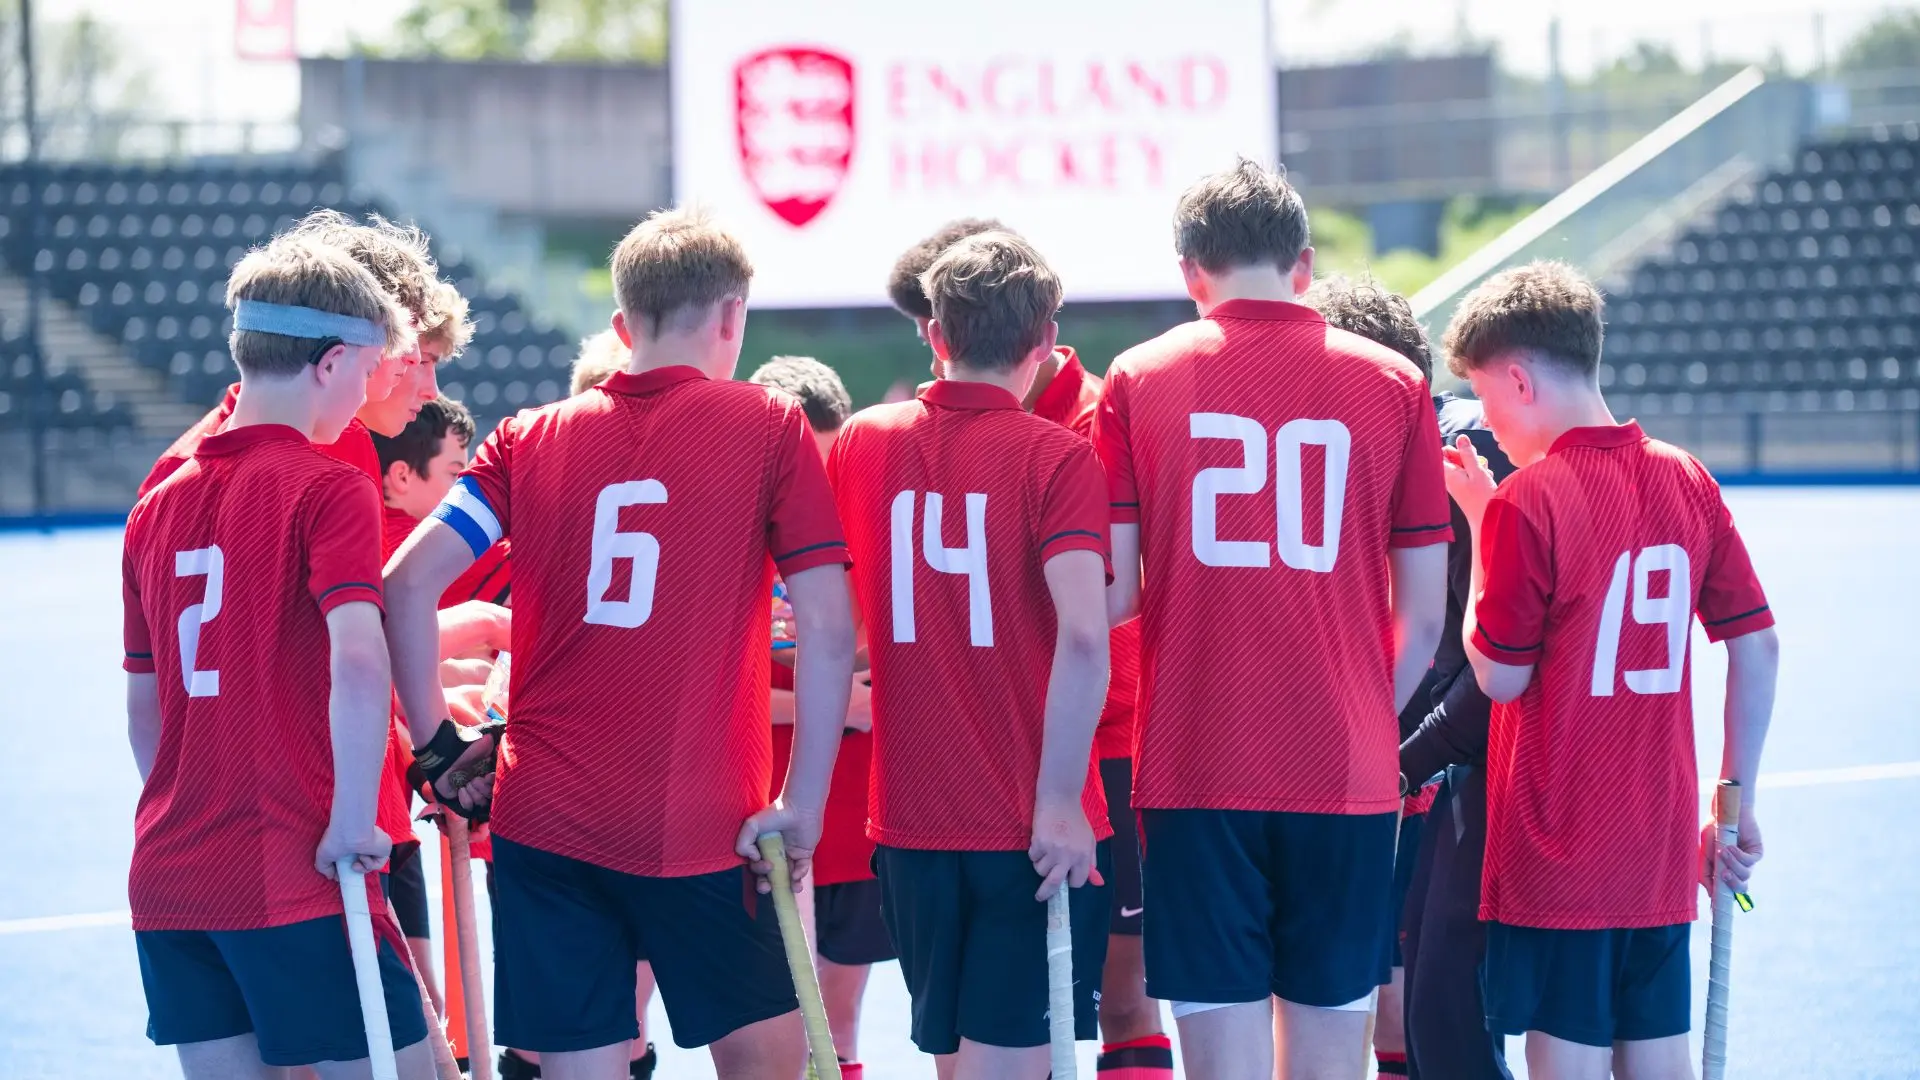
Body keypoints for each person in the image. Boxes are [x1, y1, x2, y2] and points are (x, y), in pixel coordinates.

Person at [383, 207, 858, 1080]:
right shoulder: (769, 426)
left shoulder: (528, 435)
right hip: (706, 823)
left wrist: (435, 748)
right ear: (732, 318)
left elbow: (405, 584)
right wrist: (805, 803)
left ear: (620, 325)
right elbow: (829, 627)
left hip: (548, 824)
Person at [1092, 159, 1452, 1080]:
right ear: (1304, 263)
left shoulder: (1136, 377)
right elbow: (1424, 604)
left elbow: (1118, 592)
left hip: (1195, 763)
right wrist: (1370, 713)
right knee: (1332, 1058)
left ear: (1189, 270)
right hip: (1344, 764)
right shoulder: (1394, 382)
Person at [1440, 262, 1779, 1080]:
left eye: (1486, 395)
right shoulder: (1685, 477)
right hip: (1658, 846)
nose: (1486, 418)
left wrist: (1487, 533)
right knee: (1661, 1058)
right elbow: (1757, 645)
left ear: (1517, 380)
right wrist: (1735, 803)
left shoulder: (1533, 499)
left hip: (1559, 855)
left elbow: (1497, 676)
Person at [121, 234, 433, 1079]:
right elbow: (360, 664)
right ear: (332, 362)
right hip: (294, 867)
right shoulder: (328, 487)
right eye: (371, 367)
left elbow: (147, 708)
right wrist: (349, 818)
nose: (374, 387)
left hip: (171, 876)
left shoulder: (155, 505)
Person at [890, 220, 1170, 1077]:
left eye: (924, 324)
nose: (926, 350)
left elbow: (1108, 608)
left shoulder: (1092, 422)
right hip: (975, 768)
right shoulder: (912, 436)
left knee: (1122, 994)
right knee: (975, 1028)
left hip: (1106, 741)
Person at [834, 231, 1112, 1079]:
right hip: (1026, 816)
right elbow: (1086, 632)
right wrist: (1061, 798)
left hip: (912, 813)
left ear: (933, 333)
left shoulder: (863, 440)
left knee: (953, 1058)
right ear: (1045, 341)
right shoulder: (1059, 456)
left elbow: (833, 628)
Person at [1303, 273, 1517, 1079]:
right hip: (1400, 759)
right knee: (1404, 996)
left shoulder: (1465, 450)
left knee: (1444, 1012)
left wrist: (1404, 761)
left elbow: (1502, 650)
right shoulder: (1347, 451)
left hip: (1459, 768)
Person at [748, 355, 892, 1080]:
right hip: (756, 815)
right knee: (769, 1034)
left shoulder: (866, 528)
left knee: (835, 1029)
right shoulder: (732, 536)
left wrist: (861, 690)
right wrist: (826, 707)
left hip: (856, 817)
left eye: (828, 466)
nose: (816, 487)